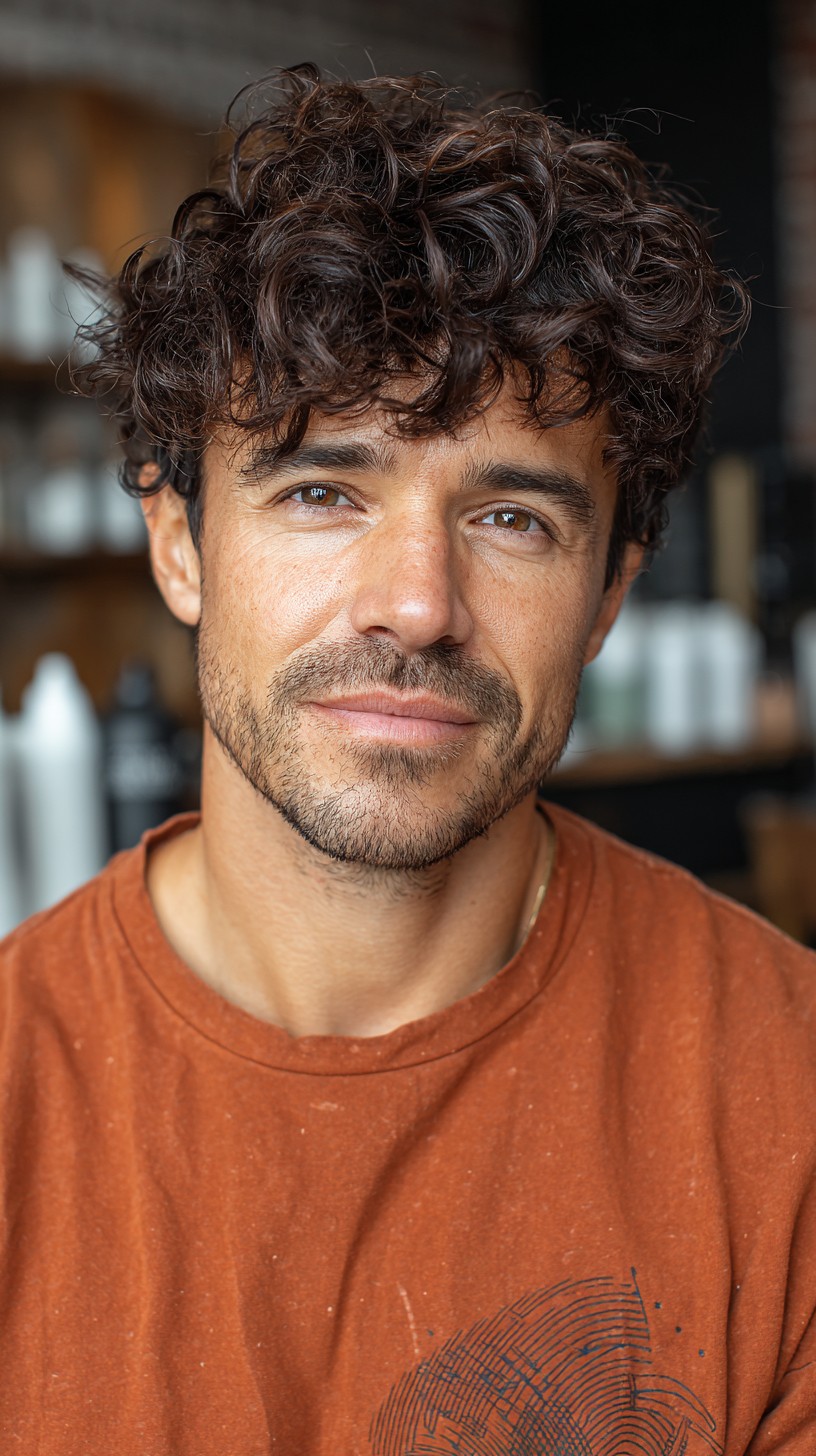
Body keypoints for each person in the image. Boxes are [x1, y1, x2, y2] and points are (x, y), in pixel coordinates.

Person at [1, 64, 813, 1455]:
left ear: (610, 593)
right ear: (181, 540)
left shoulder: (785, 1100)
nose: (418, 603)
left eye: (512, 519)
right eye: (324, 491)